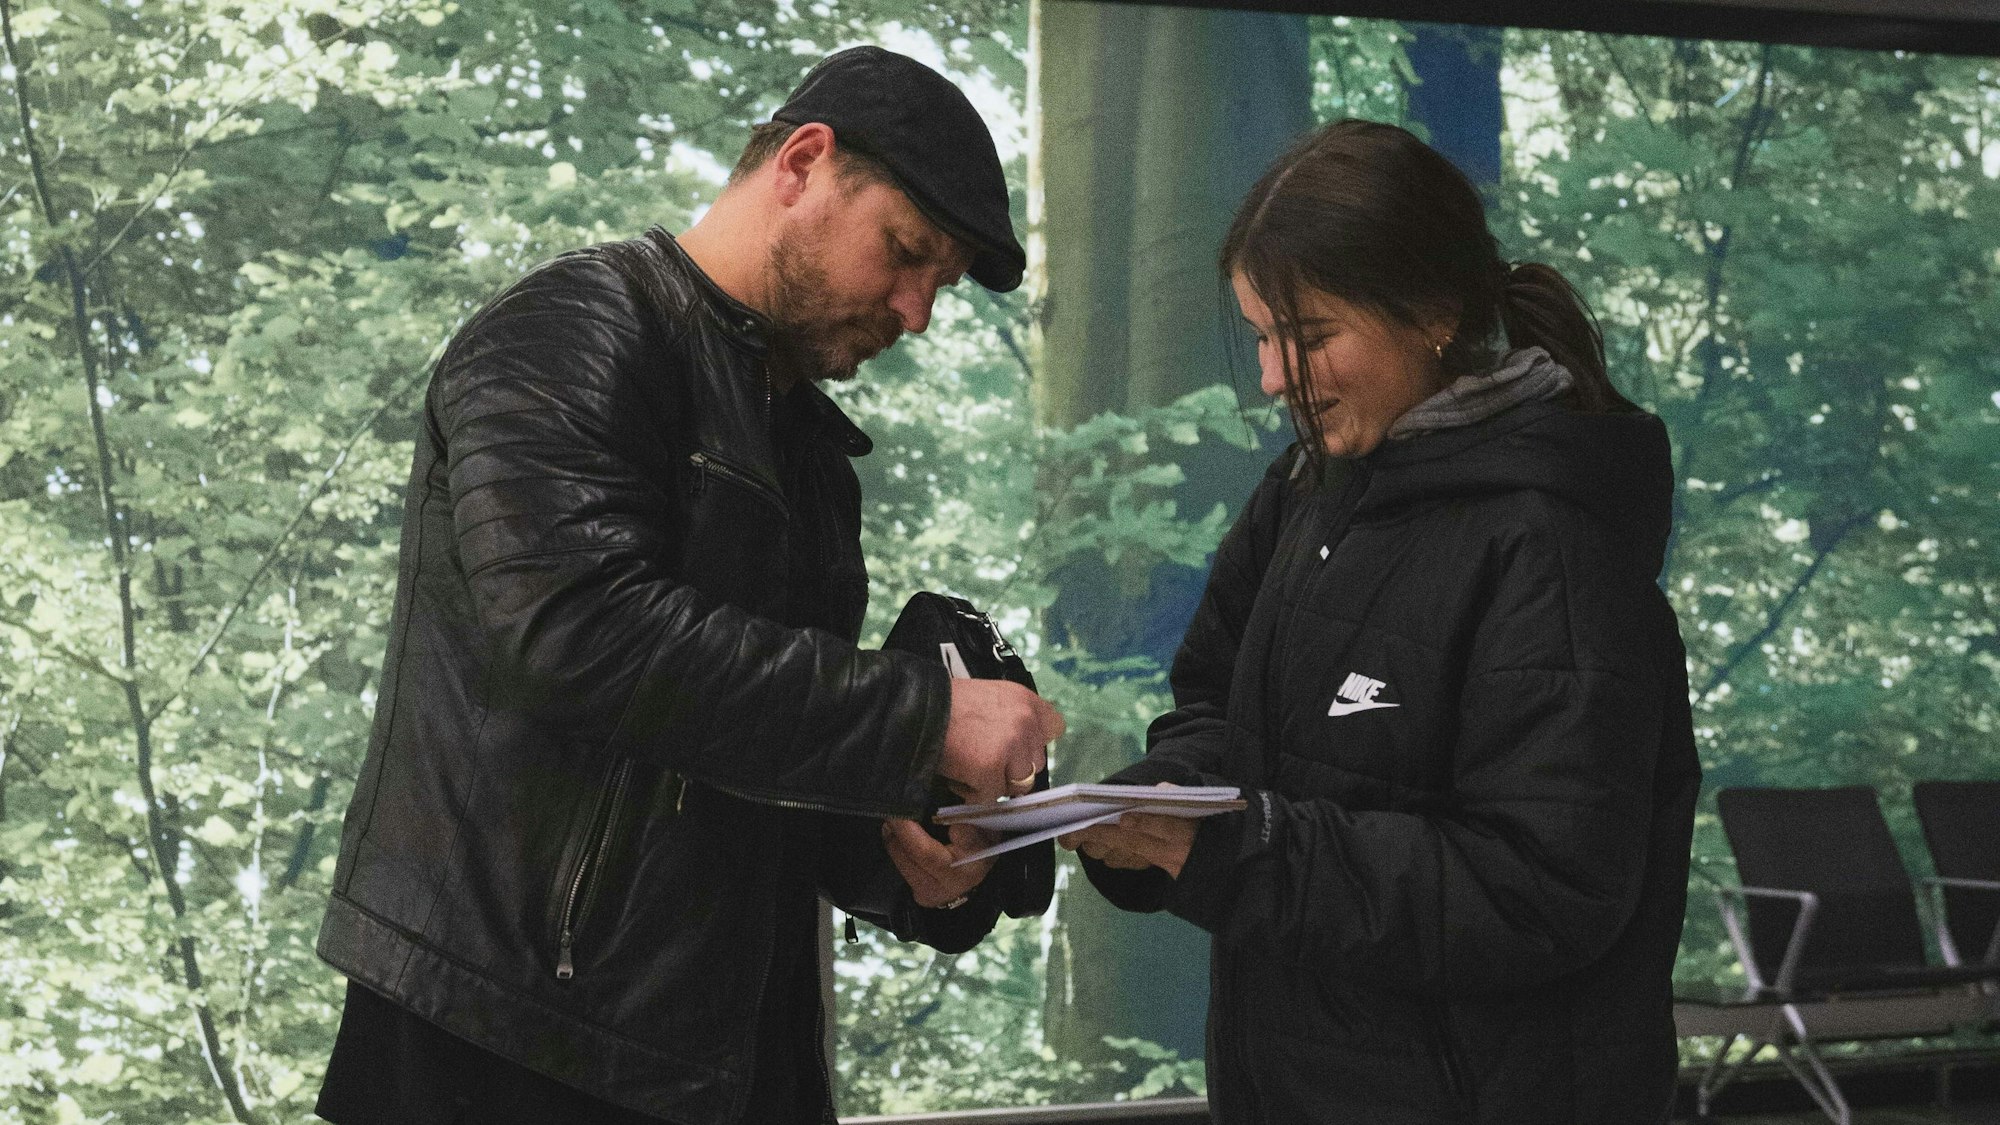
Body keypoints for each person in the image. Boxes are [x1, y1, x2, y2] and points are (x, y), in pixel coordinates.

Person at [313, 46, 1064, 1125]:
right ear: (800, 164)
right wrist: (926, 717)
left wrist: (895, 849)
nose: (915, 314)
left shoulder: (806, 450)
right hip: (499, 1042)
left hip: (709, 1050)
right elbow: (575, 635)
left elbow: (730, 749)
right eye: (905, 254)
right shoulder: (570, 330)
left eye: (936, 284)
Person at [1060, 119, 1701, 1124]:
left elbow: (1538, 889)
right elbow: (1211, 704)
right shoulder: (1305, 491)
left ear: (1433, 313)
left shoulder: (1549, 551)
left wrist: (1239, 850)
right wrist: (1164, 804)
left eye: (1307, 337)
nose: (1274, 379)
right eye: (1263, 338)